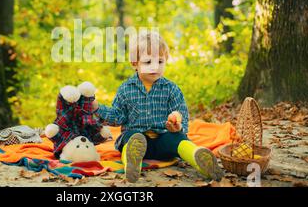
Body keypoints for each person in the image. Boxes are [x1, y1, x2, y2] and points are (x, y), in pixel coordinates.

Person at [91, 31, 224, 183]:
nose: (155, 67)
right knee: (130, 137)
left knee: (178, 139)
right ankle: (132, 164)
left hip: (163, 140)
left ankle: (198, 157)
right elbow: (118, 116)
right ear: (135, 64)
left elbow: (181, 114)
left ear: (166, 60)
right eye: (148, 62)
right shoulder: (126, 89)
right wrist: (97, 107)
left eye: (160, 62)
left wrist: (177, 125)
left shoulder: (171, 89)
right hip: (138, 140)